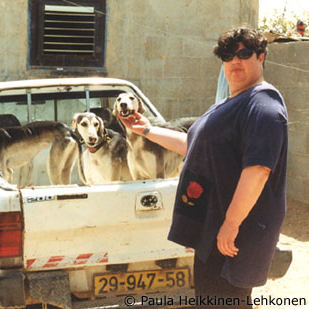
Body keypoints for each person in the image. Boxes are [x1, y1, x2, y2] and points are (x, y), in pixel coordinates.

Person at [120, 27, 287, 308]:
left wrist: (231, 224)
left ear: (261, 57)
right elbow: (195, 146)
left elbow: (258, 170)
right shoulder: (231, 103)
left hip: (232, 236)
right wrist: (146, 130)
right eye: (227, 55)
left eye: (244, 54)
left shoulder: (262, 105)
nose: (235, 61)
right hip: (214, 231)